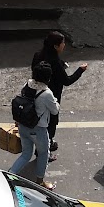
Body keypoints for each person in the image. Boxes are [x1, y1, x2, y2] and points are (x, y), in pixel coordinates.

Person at [32, 30, 87, 161]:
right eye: (62, 43)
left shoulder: (38, 55)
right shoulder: (55, 62)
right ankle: (44, 150)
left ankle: (48, 144)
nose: (64, 45)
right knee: (51, 123)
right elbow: (67, 81)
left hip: (37, 94)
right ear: (55, 46)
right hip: (51, 97)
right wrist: (80, 70)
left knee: (42, 121)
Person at [8, 76, 58, 188]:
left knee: (26, 154)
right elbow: (55, 110)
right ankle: (40, 181)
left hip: (23, 126)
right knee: (43, 154)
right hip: (38, 129)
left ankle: (11, 175)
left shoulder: (27, 85)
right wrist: (55, 101)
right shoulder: (46, 93)